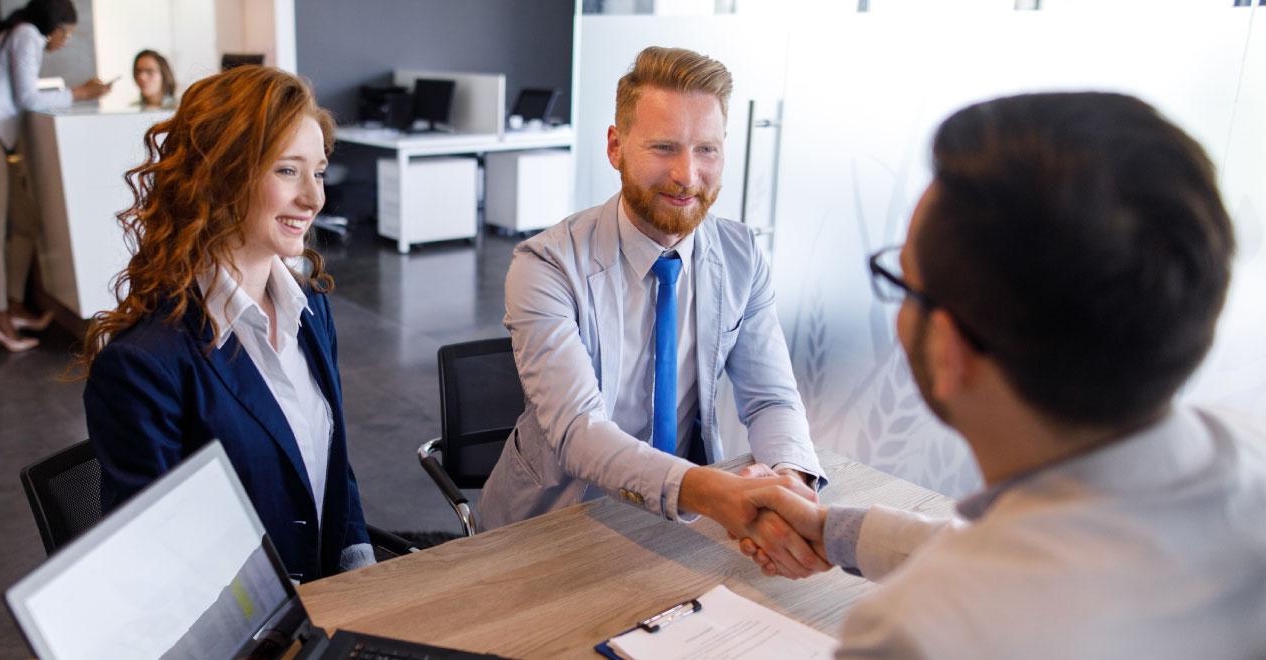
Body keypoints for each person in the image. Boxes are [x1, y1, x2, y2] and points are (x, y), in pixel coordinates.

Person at [738, 92, 1266, 658]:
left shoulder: (919, 634)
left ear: (947, 348)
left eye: (902, 282)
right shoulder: (1244, 451)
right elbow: (1037, 553)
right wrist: (830, 529)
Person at [475, 46, 829, 578]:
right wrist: (715, 491)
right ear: (616, 148)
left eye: (706, 149)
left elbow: (772, 397)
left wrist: (790, 482)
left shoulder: (741, 255)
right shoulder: (545, 265)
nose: (687, 175)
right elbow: (577, 431)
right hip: (553, 527)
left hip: (684, 528)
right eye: (664, 147)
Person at [78, 66, 373, 582]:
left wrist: (363, 576)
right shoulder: (144, 366)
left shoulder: (311, 308)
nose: (314, 198)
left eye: (319, 172)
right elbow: (161, 567)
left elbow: (332, 468)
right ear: (222, 175)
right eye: (287, 171)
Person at [0, 0, 110, 352]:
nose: (65, 41)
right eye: (65, 33)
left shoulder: (16, 34)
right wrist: (83, 93)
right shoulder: (25, 35)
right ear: (53, 26)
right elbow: (28, 97)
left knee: (26, 223)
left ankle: (15, 306)